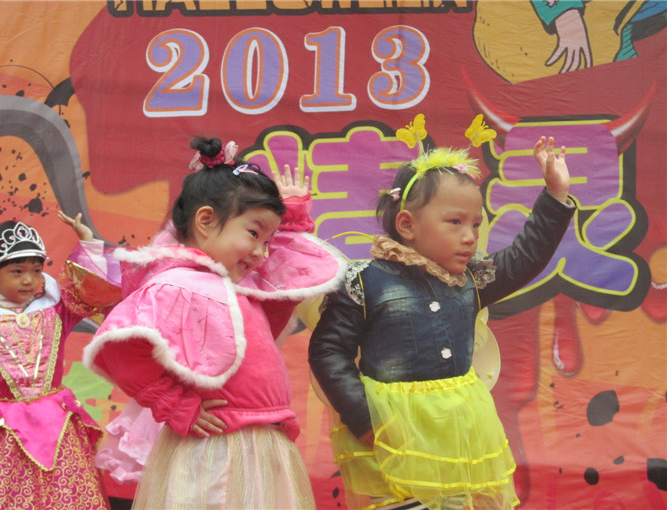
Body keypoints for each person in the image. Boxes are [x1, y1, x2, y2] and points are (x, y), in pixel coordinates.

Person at [308, 136, 575, 510]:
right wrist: (365, 419)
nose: (469, 237)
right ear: (407, 224)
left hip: (457, 434)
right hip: (392, 436)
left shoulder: (472, 279)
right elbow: (328, 350)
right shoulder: (365, 280)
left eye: (476, 225)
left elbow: (526, 256)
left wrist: (555, 196)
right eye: (455, 222)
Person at [83, 136, 346, 509]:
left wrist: (292, 222)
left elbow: (288, 276)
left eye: (268, 240)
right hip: (214, 453)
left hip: (261, 445)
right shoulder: (178, 284)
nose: (262, 252)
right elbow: (121, 350)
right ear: (206, 221)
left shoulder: (240, 289)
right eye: (254, 233)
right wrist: (173, 404)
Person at [0, 212, 117, 509]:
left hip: (54, 422)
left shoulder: (54, 308)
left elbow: (93, 291)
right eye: (17, 271)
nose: (29, 280)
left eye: (36, 270)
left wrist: (87, 240)